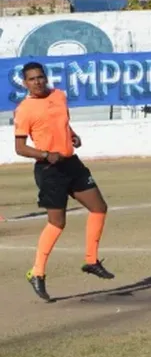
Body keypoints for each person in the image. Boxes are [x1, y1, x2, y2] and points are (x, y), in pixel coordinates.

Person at [13, 61, 114, 302]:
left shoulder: (59, 96)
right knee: (57, 223)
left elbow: (62, 123)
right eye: (32, 79)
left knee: (99, 208)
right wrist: (46, 154)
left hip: (71, 163)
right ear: (25, 83)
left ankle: (91, 260)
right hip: (49, 169)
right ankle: (37, 273)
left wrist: (72, 135)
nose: (37, 82)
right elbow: (19, 148)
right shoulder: (24, 109)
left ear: (45, 77)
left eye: (40, 77)